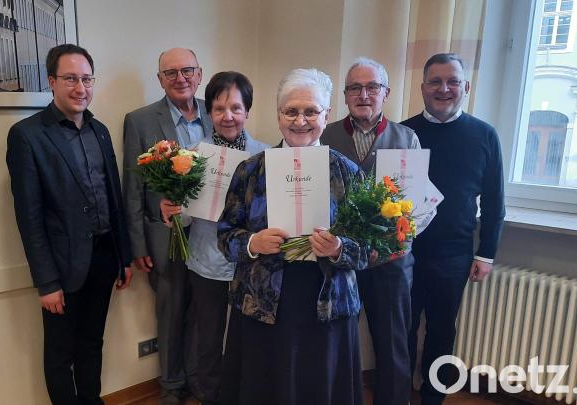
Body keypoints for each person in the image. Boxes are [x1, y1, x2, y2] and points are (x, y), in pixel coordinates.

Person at [217, 68, 402, 405]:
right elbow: (225, 234)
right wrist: (253, 243)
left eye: (311, 111)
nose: (300, 121)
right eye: (291, 111)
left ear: (326, 115)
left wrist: (339, 248)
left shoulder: (348, 173)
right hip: (263, 305)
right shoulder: (250, 170)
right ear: (278, 115)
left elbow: (371, 249)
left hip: (327, 305)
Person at [6, 44, 133, 405]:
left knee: (92, 342)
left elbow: (114, 197)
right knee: (60, 353)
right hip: (62, 266)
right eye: (71, 79)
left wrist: (124, 256)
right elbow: (29, 218)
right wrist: (47, 282)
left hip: (105, 256)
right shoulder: (28, 136)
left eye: (87, 79)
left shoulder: (100, 130)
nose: (81, 88)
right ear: (52, 81)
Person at [159, 71, 270, 405]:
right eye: (219, 108)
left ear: (247, 110)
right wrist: (173, 211)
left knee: (248, 337)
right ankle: (210, 396)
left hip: (250, 263)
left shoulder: (265, 155)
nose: (228, 116)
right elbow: (185, 218)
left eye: (236, 107)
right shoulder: (193, 155)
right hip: (207, 262)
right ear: (209, 112)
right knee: (208, 339)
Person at [402, 53, 504, 405]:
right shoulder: (403, 133)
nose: (443, 89)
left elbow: (494, 201)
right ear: (423, 88)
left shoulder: (485, 135)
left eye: (452, 81)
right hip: (404, 252)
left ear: (466, 87)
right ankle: (399, 395)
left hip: (454, 254)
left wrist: (486, 254)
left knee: (442, 331)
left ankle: (433, 398)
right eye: (435, 81)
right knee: (403, 329)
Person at [320, 57, 420, 405]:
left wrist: (399, 239)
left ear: (385, 93)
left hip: (390, 261)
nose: (363, 95)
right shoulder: (324, 135)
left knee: (393, 341)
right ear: (345, 95)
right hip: (338, 255)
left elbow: (416, 204)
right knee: (333, 338)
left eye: (372, 87)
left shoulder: (407, 138)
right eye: (355, 88)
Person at [122, 48, 212, 404]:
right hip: (165, 237)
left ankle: (197, 378)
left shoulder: (217, 112)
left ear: (199, 74)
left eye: (187, 70)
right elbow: (133, 188)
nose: (180, 78)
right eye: (170, 72)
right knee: (171, 314)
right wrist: (137, 246)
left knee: (201, 313)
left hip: (207, 236)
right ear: (159, 79)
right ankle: (172, 385)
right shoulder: (139, 121)